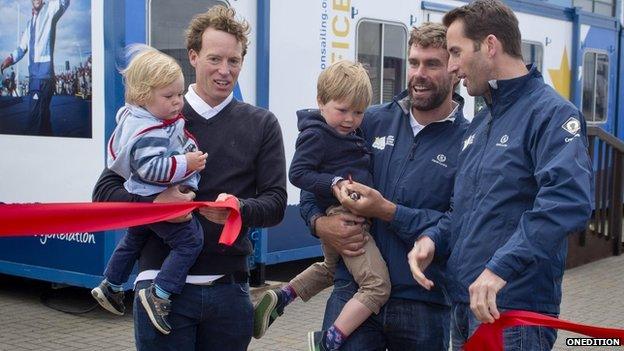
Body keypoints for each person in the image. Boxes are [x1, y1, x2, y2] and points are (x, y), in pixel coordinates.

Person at [92, 5, 287, 351]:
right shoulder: (157, 112)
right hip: (159, 290)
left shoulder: (263, 124)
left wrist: (239, 208)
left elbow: (275, 204)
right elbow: (103, 194)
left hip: (230, 290)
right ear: (193, 56)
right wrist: (154, 204)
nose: (225, 71)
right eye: (215, 59)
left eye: (234, 61)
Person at [408, 1, 593, 350]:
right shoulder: (482, 122)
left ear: (490, 46)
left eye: (456, 52)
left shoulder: (551, 115)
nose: (452, 66)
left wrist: (499, 269)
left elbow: (568, 201)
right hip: (464, 310)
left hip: (513, 314)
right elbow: (464, 210)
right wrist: (432, 239)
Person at [300, 23, 468, 350]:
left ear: (455, 70)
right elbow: (315, 184)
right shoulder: (369, 120)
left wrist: (388, 212)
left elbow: (458, 223)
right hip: (354, 290)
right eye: (414, 62)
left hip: (424, 301)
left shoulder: (470, 141)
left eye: (432, 64)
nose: (419, 73)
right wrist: (319, 223)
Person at [253, 60, 390, 351]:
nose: (350, 119)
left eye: (358, 112)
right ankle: (329, 339)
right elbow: (297, 173)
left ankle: (284, 295)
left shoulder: (346, 133)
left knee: (330, 268)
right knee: (376, 286)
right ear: (320, 102)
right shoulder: (317, 134)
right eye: (342, 110)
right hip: (346, 217)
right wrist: (334, 183)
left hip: (343, 214)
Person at [90, 46, 208, 336]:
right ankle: (161, 294)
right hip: (155, 201)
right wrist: (187, 163)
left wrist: (186, 150)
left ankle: (112, 285)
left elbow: (173, 141)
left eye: (180, 94)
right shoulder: (149, 131)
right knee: (191, 241)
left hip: (140, 200)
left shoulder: (144, 120)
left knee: (134, 237)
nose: (178, 102)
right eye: (169, 96)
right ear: (144, 96)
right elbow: (151, 169)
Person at [0, 0, 69, 136]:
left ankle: (31, 151)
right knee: (43, 120)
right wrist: (9, 59)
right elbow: (21, 48)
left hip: (43, 77)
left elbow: (63, 2)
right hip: (35, 78)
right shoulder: (29, 25)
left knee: (34, 120)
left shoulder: (49, 10)